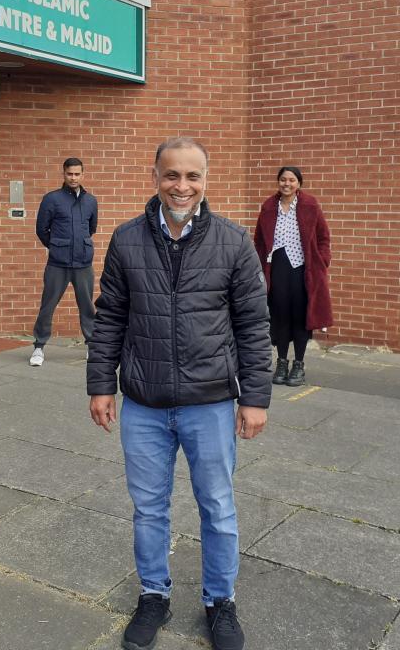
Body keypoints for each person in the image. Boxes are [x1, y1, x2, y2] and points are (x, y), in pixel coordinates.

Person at [88, 137, 271, 650]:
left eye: (192, 176)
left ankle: (220, 601)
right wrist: (101, 384)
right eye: (172, 175)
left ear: (206, 180)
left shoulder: (233, 242)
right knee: (149, 509)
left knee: (218, 507)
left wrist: (255, 397)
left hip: (209, 403)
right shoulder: (127, 240)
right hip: (144, 404)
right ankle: (153, 594)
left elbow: (253, 325)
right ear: (155, 177)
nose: (182, 186)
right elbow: (110, 318)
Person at [253, 166, 332, 387]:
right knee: (279, 316)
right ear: (278, 182)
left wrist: (322, 261)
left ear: (298, 184)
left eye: (291, 180)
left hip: (303, 270)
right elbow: (259, 240)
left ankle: (298, 364)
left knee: (300, 316)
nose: (286, 184)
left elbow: (323, 237)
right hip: (276, 268)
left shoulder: (310, 205)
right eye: (283, 179)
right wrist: (259, 264)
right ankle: (281, 362)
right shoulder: (269, 207)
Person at [29, 157, 98, 366]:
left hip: (83, 263)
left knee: (87, 307)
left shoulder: (91, 201)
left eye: (77, 174)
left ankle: (92, 346)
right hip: (57, 264)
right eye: (70, 174)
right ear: (64, 174)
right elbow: (42, 229)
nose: (73, 178)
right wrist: (56, 246)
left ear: (83, 175)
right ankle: (39, 347)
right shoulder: (52, 199)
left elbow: (91, 228)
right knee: (47, 306)